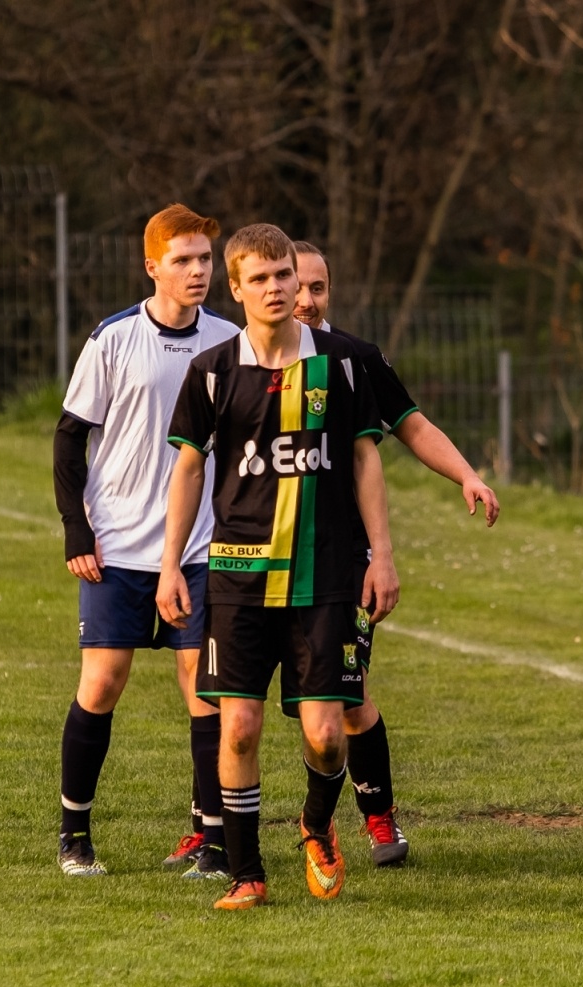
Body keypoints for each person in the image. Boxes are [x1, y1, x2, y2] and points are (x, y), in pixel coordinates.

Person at [157, 223, 398, 910]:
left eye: (284, 275)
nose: (275, 288)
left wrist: (380, 556)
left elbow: (364, 458)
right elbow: (187, 467)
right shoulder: (211, 371)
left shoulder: (339, 366)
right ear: (235, 289)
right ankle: (247, 873)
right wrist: (171, 564)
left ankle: (316, 822)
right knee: (239, 726)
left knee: (326, 734)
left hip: (322, 577)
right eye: (259, 278)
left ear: (299, 282)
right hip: (236, 574)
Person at [290, 240, 500, 866]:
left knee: (347, 703)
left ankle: (376, 818)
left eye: (318, 287)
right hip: (255, 559)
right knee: (235, 709)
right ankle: (217, 838)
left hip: (341, 559)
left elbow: (412, 425)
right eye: (296, 285)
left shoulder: (355, 359)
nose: (306, 299)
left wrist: (466, 474)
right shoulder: (241, 359)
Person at [52, 204, 242, 877]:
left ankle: (216, 845)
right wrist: (78, 528)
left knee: (204, 689)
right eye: (184, 259)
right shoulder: (113, 339)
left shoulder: (231, 340)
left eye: (205, 259)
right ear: (152, 265)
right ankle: (75, 835)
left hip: (200, 548)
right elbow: (70, 436)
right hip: (120, 548)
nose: (198, 271)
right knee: (103, 682)